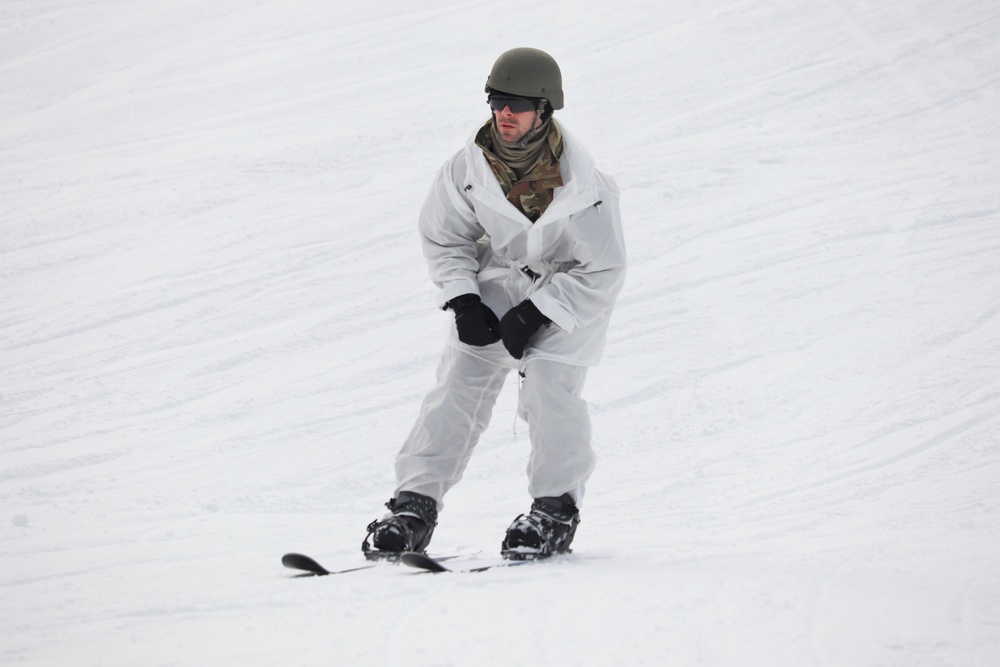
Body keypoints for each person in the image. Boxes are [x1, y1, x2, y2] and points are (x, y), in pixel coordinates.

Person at [363, 47, 626, 560]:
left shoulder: (586, 186)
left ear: (545, 109)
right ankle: (412, 508)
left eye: (519, 103)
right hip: (500, 283)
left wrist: (537, 312)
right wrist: (464, 300)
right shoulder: (468, 166)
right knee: (457, 387)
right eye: (498, 100)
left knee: (551, 392)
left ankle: (553, 513)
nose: (505, 113)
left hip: (568, 296)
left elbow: (604, 268)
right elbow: (444, 237)